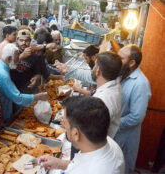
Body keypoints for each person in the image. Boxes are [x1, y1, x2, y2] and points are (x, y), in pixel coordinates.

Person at [38, 96, 125, 174]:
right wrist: (60, 164)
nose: (64, 128)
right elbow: (83, 164)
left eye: (65, 124)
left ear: (76, 134)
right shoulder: (111, 144)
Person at [0, 43, 48, 123]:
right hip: (2, 112)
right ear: (9, 59)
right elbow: (18, 98)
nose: (18, 61)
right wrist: (38, 97)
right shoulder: (3, 75)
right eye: (16, 58)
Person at [114, 45, 151, 173]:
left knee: (122, 168)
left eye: (121, 58)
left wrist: (113, 123)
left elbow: (137, 117)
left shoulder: (140, 83)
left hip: (125, 137)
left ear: (132, 63)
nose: (117, 61)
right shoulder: (121, 75)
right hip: (115, 134)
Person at [91, 52, 122, 138]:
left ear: (98, 71)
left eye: (94, 65)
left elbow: (92, 131)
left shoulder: (103, 99)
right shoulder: (115, 85)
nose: (92, 69)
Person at [10, 29, 41, 94]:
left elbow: (38, 73)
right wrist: (21, 56)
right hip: (13, 88)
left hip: (27, 89)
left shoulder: (34, 55)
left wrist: (36, 78)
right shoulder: (11, 52)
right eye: (21, 40)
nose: (24, 43)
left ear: (30, 41)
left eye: (26, 40)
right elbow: (7, 66)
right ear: (17, 40)